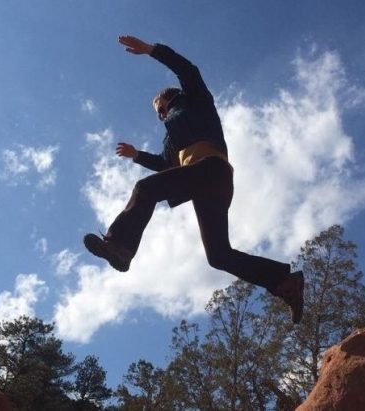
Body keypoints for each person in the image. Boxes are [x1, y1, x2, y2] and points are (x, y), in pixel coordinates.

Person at [83, 35, 305, 324]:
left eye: (159, 108)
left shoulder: (197, 102)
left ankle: (120, 245)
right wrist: (138, 155)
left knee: (143, 189)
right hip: (206, 185)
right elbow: (165, 167)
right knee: (218, 255)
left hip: (212, 169)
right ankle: (283, 282)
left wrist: (152, 50)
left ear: (169, 97)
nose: (160, 114)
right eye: (158, 113)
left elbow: (188, 70)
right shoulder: (171, 138)